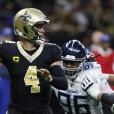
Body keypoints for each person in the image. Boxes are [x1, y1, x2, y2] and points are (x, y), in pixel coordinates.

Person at [0, 8, 68, 114]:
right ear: (25, 26)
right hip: (16, 111)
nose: (43, 30)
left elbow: (64, 84)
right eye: (38, 26)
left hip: (42, 111)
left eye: (43, 26)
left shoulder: (52, 50)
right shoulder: (7, 49)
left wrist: (50, 78)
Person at [52, 39, 114, 114]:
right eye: (66, 62)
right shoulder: (55, 73)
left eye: (73, 63)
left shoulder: (91, 74)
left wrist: (100, 80)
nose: (69, 66)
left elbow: (111, 98)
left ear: (82, 62)